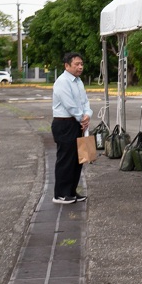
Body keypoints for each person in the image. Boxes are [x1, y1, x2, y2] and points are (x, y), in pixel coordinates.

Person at [50, 52, 92, 204]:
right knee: (66, 159)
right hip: (64, 124)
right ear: (67, 66)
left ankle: (71, 191)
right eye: (77, 64)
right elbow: (70, 104)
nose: (80, 67)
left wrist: (87, 115)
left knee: (77, 160)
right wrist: (82, 118)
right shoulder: (62, 81)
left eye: (81, 64)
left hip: (77, 122)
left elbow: (85, 101)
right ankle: (60, 194)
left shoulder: (78, 81)